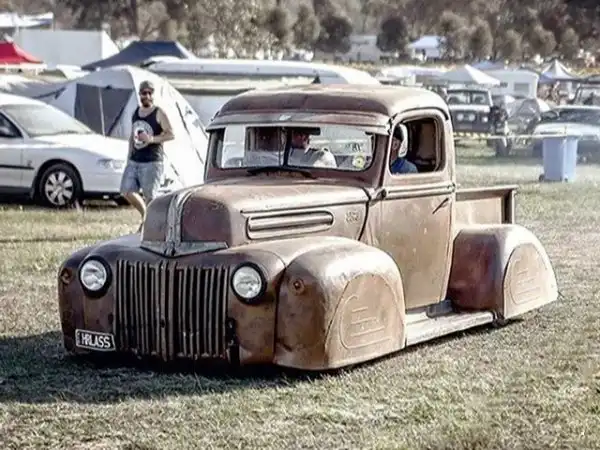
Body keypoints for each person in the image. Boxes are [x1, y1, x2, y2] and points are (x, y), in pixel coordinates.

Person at [120, 80, 174, 230]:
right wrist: (129, 155)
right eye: (145, 93)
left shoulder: (159, 113)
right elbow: (132, 136)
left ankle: (150, 226)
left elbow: (170, 134)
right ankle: (145, 216)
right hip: (135, 159)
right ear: (140, 94)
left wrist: (152, 139)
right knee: (126, 190)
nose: (148, 96)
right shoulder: (136, 113)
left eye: (150, 93)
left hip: (152, 161)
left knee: (150, 196)